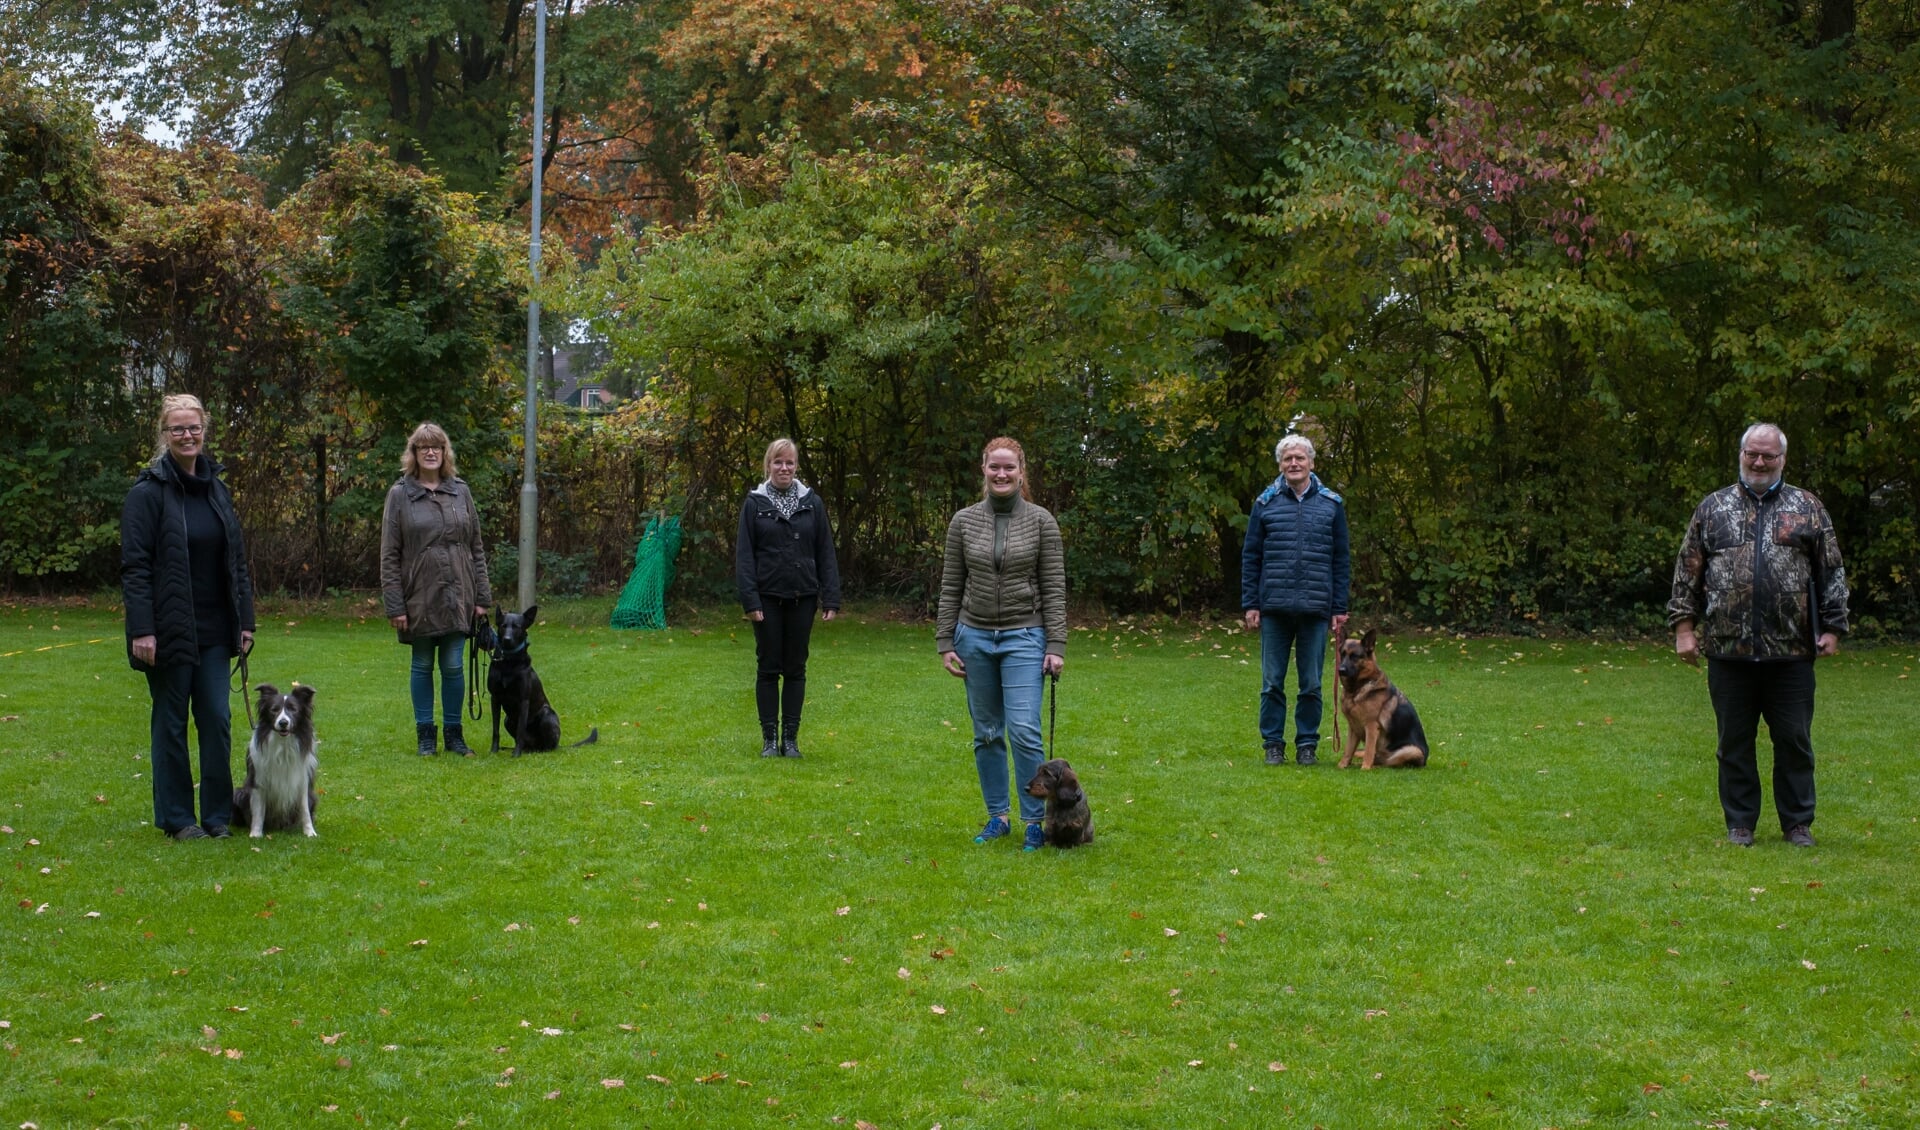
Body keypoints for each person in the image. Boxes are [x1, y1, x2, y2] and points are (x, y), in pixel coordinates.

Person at [1669, 422, 1848, 847]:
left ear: (1782, 458)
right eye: (1753, 453)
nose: (1760, 461)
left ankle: (1797, 823)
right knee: (1733, 743)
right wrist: (1684, 629)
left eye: (1769, 454)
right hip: (1728, 650)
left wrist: (1834, 627)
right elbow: (1687, 571)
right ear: (1741, 454)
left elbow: (1831, 571)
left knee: (1794, 742)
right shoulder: (1712, 509)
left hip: (1791, 651)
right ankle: (1740, 823)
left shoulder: (1808, 508)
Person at [121, 393, 256, 841]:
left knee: (217, 720)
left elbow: (236, 561)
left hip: (217, 629)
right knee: (171, 723)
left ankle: (217, 817)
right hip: (167, 629)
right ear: (164, 434)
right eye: (177, 428)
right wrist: (143, 628)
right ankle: (178, 819)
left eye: (193, 427)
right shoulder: (147, 494)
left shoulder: (218, 489)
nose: (187, 435)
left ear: (205, 429)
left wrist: (246, 620)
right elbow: (135, 567)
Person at [936, 437, 1067, 851]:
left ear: (1022, 472)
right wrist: (945, 641)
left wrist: (1056, 644)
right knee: (987, 732)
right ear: (984, 470)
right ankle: (998, 817)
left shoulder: (1042, 521)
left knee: (1025, 730)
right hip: (973, 636)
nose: (1002, 474)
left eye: (1009, 467)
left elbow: (1054, 588)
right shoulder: (963, 521)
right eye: (995, 467)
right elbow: (951, 585)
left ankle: (1034, 821)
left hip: (1025, 636)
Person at [380, 422, 492, 756]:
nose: (431, 452)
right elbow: (389, 554)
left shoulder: (461, 491)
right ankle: (425, 734)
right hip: (419, 594)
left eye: (437, 447)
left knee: (454, 664)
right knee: (423, 663)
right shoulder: (399, 495)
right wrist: (394, 605)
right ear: (413, 454)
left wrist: (482, 597)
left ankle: (455, 735)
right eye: (423, 447)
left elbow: (476, 547)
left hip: (459, 592)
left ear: (445, 453)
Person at [1241, 433, 1350, 767]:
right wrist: (1251, 603)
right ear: (1280, 464)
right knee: (1272, 682)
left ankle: (1307, 745)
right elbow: (1251, 556)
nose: (1294, 463)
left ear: (1311, 463)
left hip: (1316, 610)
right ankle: (1273, 744)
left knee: (1312, 684)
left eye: (1299, 458)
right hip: (1273, 608)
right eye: (1287, 458)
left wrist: (1339, 607)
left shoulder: (1332, 504)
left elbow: (1341, 559)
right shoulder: (1265, 503)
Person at [735, 437, 842, 758]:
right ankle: (769, 739)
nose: (784, 468)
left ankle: (791, 740)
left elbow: (825, 551)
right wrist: (750, 602)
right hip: (766, 598)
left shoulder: (812, 503)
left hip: (803, 596)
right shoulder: (754, 504)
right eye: (778, 462)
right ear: (768, 465)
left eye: (790, 462)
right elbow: (744, 557)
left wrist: (831, 597)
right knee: (768, 667)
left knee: (796, 668)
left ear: (796, 466)